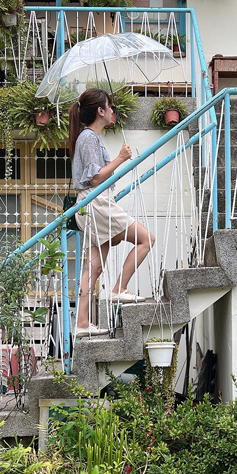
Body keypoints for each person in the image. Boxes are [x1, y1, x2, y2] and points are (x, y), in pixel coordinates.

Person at [69, 88, 156, 337]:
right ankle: (119, 288)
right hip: (96, 202)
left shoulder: (88, 137)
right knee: (147, 239)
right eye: (110, 106)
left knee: (94, 267)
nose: (112, 111)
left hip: (92, 204)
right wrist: (120, 158)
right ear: (100, 111)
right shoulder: (88, 138)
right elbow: (96, 178)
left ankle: (82, 323)